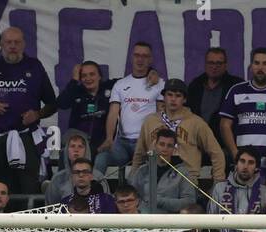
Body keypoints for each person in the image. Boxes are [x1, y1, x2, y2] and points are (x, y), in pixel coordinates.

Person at [0, 27, 58, 194]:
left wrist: (37, 114)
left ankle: (28, 221)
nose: (12, 46)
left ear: (23, 44)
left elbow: (52, 104)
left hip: (27, 138)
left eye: (17, 42)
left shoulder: (34, 66)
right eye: (8, 42)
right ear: (1, 44)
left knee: (29, 187)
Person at [131, 79, 225, 181]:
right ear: (164, 97)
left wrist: (218, 182)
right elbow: (139, 154)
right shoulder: (151, 121)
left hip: (186, 179)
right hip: (154, 178)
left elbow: (216, 153)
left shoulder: (196, 122)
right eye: (170, 95)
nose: (173, 99)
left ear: (184, 99)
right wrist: (132, 180)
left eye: (178, 96)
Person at [95, 42, 164, 175]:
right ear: (131, 57)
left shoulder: (159, 84)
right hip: (122, 144)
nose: (140, 59)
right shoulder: (120, 84)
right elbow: (113, 113)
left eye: (144, 56)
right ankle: (96, 195)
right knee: (101, 158)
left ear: (150, 59)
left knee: (146, 171)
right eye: (137, 55)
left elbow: (161, 113)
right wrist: (109, 138)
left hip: (145, 142)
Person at [187, 47, 240, 136]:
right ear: (205, 64)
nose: (214, 67)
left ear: (226, 65)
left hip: (225, 144)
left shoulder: (235, 86)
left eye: (219, 63)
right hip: (197, 142)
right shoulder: (195, 85)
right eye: (211, 63)